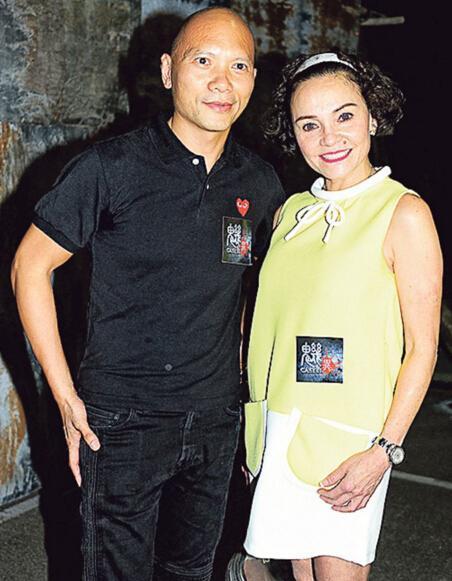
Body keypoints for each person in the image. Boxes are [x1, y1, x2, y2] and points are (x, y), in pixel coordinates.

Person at [11, 8, 285, 581]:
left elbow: (255, 289)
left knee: (189, 571)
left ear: (253, 80)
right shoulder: (110, 167)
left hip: (215, 420)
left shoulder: (259, 183)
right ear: (167, 71)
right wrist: (65, 398)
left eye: (238, 66)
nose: (221, 81)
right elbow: (29, 267)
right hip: (122, 419)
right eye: (202, 60)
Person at [228, 52, 442, 581]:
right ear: (294, 134)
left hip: (351, 440)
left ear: (372, 117)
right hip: (277, 428)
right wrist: (255, 430)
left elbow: (423, 348)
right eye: (309, 125)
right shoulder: (290, 212)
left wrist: (384, 450)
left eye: (344, 115)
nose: (329, 137)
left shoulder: (403, 212)